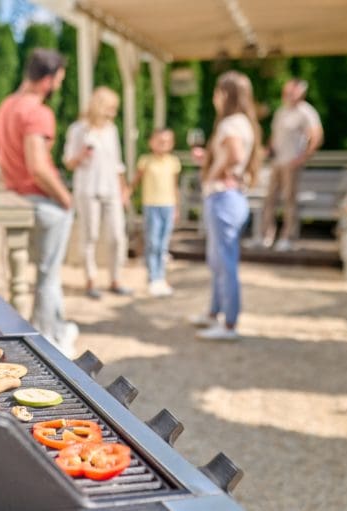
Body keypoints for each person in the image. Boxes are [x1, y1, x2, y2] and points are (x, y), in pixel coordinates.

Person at [0, 48, 78, 357]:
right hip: (41, 203)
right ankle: (50, 339)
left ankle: (56, 327)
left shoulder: (5, 107)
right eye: (59, 80)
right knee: (48, 274)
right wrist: (66, 198)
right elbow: (39, 167)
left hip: (15, 200)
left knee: (37, 273)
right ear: (48, 79)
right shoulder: (37, 112)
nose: (58, 86)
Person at [189, 71, 262, 340]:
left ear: (225, 94)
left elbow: (235, 155)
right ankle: (214, 314)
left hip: (223, 197)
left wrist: (213, 172)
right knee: (219, 261)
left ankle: (229, 324)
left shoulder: (231, 123)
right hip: (230, 198)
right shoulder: (244, 123)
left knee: (225, 263)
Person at [63, 86, 131, 300]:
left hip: (110, 189)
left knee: (117, 236)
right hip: (88, 189)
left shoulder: (112, 130)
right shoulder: (78, 130)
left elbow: (117, 163)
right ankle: (91, 279)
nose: (114, 112)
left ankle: (115, 278)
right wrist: (81, 155)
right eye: (111, 107)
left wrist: (123, 189)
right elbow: (68, 162)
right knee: (89, 235)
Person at [259, 78, 323, 251]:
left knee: (289, 200)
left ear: (300, 92)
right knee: (269, 199)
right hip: (277, 162)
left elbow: (316, 136)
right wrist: (267, 150)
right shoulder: (281, 111)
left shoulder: (306, 112)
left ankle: (288, 237)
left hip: (291, 163)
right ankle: (267, 236)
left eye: (291, 91)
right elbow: (275, 135)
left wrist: (302, 158)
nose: (287, 94)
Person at [130, 128, 181, 297]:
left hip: (168, 205)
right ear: (152, 143)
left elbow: (175, 187)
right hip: (151, 205)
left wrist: (177, 207)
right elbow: (136, 181)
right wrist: (127, 192)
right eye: (160, 141)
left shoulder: (173, 162)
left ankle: (161, 277)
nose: (163, 144)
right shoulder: (146, 161)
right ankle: (153, 278)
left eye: (167, 142)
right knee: (153, 242)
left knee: (163, 244)